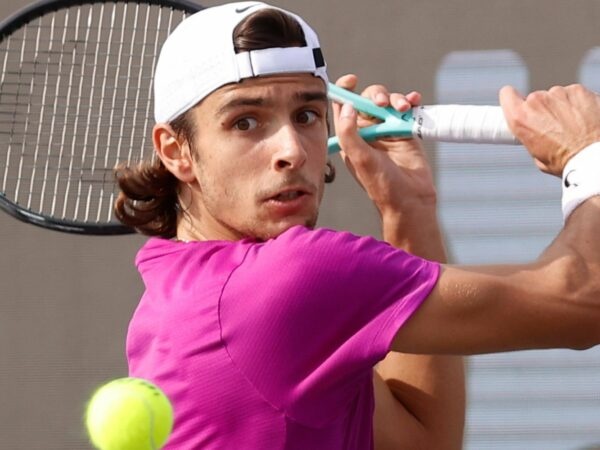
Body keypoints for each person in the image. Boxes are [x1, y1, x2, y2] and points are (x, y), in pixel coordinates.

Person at [114, 2, 600, 449]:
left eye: (306, 114)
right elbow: (584, 302)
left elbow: (423, 441)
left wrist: (409, 210)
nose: (293, 150)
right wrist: (589, 154)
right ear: (176, 151)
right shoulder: (287, 279)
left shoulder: (167, 303)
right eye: (246, 122)